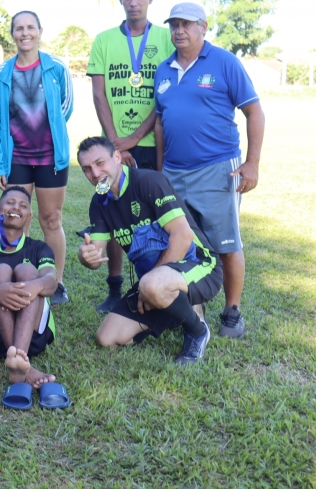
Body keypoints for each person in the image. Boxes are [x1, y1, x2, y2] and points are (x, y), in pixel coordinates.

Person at [154, 3, 264, 339]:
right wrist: (160, 171)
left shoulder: (224, 62)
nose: (179, 31)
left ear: (204, 27)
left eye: (186, 24)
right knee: (181, 240)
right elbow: (160, 122)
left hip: (217, 168)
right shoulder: (164, 69)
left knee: (226, 241)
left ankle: (231, 312)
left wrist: (252, 163)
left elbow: (255, 112)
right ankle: (190, 307)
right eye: (174, 25)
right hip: (174, 171)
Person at [77, 136, 223, 363]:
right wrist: (86, 257)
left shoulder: (148, 182)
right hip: (157, 278)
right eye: (87, 169)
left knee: (152, 285)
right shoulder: (99, 202)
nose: (95, 174)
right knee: (107, 338)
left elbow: (183, 236)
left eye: (100, 163)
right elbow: (96, 258)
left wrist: (150, 286)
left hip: (201, 265)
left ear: (117, 157)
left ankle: (197, 330)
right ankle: (176, 308)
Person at [86, 0, 175, 312]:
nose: (134, 2)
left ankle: (155, 281)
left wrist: (136, 137)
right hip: (111, 148)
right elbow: (98, 94)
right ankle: (114, 287)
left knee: (152, 213)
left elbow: (165, 94)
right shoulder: (104, 40)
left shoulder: (167, 38)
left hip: (153, 143)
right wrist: (113, 145)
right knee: (109, 210)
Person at [0, 11, 73, 305]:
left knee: (51, 219)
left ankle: (56, 283)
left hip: (51, 159)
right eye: (19, 28)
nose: (25, 33)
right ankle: (15, 276)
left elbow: (65, 107)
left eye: (30, 27)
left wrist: (51, 135)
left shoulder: (57, 68)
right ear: (12, 34)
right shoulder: (0, 74)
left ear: (39, 31)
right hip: (17, 159)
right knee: (15, 219)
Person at [0, 186, 61, 391]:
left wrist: (34, 285)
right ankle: (21, 364)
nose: (16, 207)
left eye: (23, 205)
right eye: (10, 203)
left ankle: (17, 361)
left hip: (34, 338)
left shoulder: (40, 248)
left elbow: (51, 282)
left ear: (29, 217)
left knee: (27, 271)